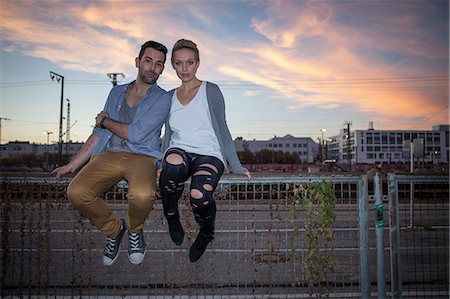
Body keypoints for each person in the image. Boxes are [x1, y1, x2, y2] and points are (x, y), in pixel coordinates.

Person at [52, 40, 171, 267]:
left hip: (143, 156)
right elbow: (98, 133)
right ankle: (115, 230)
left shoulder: (163, 98)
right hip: (108, 154)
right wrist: (71, 166)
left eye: (158, 64)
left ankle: (135, 230)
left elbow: (135, 134)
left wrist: (105, 120)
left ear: (162, 69)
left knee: (143, 194)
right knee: (77, 191)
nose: (152, 68)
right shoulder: (116, 92)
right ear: (137, 62)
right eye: (148, 61)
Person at [159, 39, 251, 263]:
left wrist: (236, 166)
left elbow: (223, 127)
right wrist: (159, 165)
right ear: (173, 65)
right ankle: (172, 216)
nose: (184, 68)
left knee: (199, 196)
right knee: (171, 164)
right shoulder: (168, 96)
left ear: (198, 63)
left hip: (209, 153)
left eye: (189, 62)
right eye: (179, 63)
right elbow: (168, 133)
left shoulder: (211, 90)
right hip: (180, 150)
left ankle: (207, 232)